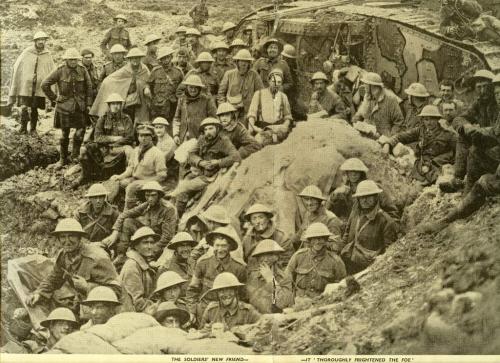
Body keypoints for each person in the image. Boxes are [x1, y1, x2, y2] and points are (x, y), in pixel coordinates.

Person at [25, 218, 120, 307]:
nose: (67, 241)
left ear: (80, 238)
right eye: (63, 237)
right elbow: (54, 278)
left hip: (106, 307)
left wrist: (87, 287)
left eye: (71, 236)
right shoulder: (63, 254)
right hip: (84, 302)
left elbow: (117, 290)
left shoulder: (97, 258)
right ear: (58, 239)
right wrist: (39, 293)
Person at [440, 70, 497, 193]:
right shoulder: (479, 103)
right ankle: (458, 179)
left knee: (474, 149)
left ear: (492, 87)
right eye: (479, 87)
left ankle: (469, 189)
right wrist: (466, 126)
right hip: (487, 140)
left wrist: (481, 131)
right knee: (462, 136)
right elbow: (458, 118)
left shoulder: (497, 102)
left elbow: (496, 130)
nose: (482, 91)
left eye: (485, 87)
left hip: (496, 146)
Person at [170, 118, 241, 216]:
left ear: (217, 128)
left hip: (212, 176)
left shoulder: (224, 140)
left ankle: (179, 216)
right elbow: (191, 154)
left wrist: (218, 162)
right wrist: (201, 162)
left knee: (184, 188)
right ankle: (177, 213)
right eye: (206, 129)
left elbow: (236, 156)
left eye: (211, 128)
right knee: (183, 183)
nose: (208, 132)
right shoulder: (202, 139)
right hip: (200, 172)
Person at [104, 181, 177, 266]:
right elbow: (125, 214)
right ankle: (121, 255)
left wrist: (151, 251)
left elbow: (167, 237)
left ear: (159, 195)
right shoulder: (147, 204)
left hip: (159, 243)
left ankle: (147, 257)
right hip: (148, 236)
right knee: (128, 221)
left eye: (153, 195)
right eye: (147, 195)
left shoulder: (168, 209)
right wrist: (115, 232)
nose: (150, 198)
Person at [41, 48, 93, 169]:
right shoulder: (60, 70)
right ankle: (62, 159)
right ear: (66, 60)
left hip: (80, 106)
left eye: (75, 59)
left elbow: (89, 88)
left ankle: (75, 156)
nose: (73, 62)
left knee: (80, 132)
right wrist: (55, 98)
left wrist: (88, 104)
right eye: (71, 60)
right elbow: (44, 84)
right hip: (64, 107)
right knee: (65, 134)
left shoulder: (83, 70)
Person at [382, 105, 457, 185]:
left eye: (432, 119)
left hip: (438, 166)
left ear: (437, 119)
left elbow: (456, 153)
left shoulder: (448, 135)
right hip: (420, 166)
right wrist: (388, 143)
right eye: (426, 119)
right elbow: (401, 136)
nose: (429, 122)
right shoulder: (421, 130)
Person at [186, 227, 247, 324]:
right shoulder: (203, 264)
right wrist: (192, 311)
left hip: (229, 315)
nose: (220, 249)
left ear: (230, 247)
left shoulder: (239, 268)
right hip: (205, 313)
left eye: (224, 246)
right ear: (212, 246)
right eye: (217, 245)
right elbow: (192, 290)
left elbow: (243, 296)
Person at [74, 93, 134, 187]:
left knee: (129, 150)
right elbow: (97, 137)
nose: (116, 106)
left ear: (121, 105)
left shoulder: (126, 119)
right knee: (83, 149)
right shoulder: (103, 119)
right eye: (113, 104)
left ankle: (127, 177)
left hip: (120, 147)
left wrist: (116, 143)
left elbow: (130, 137)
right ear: (109, 105)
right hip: (104, 148)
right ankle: (85, 175)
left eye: (118, 103)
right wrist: (113, 138)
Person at [340, 180, 398, 274]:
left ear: (376, 197)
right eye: (362, 197)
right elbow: (346, 234)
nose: (364, 200)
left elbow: (389, 251)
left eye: (368, 196)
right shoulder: (355, 214)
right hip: (349, 262)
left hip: (368, 269)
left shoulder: (385, 221)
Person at [109, 125, 167, 209]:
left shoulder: (157, 153)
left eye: (147, 135)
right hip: (135, 179)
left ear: (152, 137)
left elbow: (162, 176)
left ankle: (128, 212)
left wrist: (144, 182)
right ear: (138, 137)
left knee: (131, 188)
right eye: (141, 135)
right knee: (116, 182)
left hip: (150, 181)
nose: (143, 138)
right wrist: (119, 176)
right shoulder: (136, 151)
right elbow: (131, 168)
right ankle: (113, 207)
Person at [9, 31, 55, 135]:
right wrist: (25, 77)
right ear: (35, 41)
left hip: (38, 87)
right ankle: (23, 127)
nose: (41, 42)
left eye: (43, 40)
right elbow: (18, 66)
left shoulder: (47, 54)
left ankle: (33, 129)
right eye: (38, 40)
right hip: (26, 86)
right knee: (24, 107)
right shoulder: (27, 52)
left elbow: (52, 70)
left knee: (35, 108)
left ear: (45, 41)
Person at [285, 223, 347, 299]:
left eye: (321, 238)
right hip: (298, 300)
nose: (317, 242)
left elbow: (341, 286)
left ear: (326, 240)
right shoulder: (298, 256)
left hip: (322, 302)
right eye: (314, 239)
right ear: (309, 240)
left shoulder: (335, 261)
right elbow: (287, 278)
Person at [326, 158, 399, 220]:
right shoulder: (343, 192)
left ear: (361, 173)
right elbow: (327, 211)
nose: (353, 174)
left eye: (356, 171)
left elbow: (392, 212)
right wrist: (334, 195)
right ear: (347, 173)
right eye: (350, 171)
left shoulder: (374, 187)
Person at [218, 49, 264, 127]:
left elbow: (261, 93)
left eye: (246, 61)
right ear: (237, 62)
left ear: (249, 63)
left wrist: (256, 110)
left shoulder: (254, 75)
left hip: (248, 113)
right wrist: (224, 108)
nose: (243, 63)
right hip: (231, 112)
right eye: (241, 61)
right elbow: (221, 94)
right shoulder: (229, 74)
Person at [247, 68, 293, 145]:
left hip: (279, 129)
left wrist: (284, 127)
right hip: (263, 129)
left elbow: (288, 116)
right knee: (258, 144)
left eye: (279, 82)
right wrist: (254, 128)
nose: (276, 84)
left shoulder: (283, 96)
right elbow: (251, 115)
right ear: (269, 81)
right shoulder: (259, 94)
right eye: (273, 81)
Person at [246, 239, 293, 313]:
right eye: (261, 256)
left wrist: (271, 280)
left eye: (269, 255)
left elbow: (283, 303)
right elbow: (250, 301)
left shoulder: (284, 277)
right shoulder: (252, 276)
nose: (265, 259)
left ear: (276, 257)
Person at [291, 185, 343, 252]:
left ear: (319, 200)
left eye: (313, 199)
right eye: (306, 199)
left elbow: (336, 247)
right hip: (307, 256)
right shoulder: (307, 215)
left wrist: (312, 240)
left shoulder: (331, 219)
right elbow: (299, 234)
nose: (309, 203)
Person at [242, 203, 292, 271]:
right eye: (254, 218)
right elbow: (244, 262)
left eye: (261, 217)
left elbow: (287, 264)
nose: (258, 221)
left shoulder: (281, 237)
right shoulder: (247, 239)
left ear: (268, 219)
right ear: (251, 222)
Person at [119, 227, 159, 312]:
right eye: (145, 243)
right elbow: (137, 303)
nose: (149, 247)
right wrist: (158, 307)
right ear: (136, 246)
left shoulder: (143, 264)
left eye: (151, 243)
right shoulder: (132, 266)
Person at [352, 72, 404, 137]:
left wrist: (390, 138)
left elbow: (399, 122)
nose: (364, 86)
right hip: (367, 134)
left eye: (366, 84)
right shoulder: (368, 96)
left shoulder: (390, 99)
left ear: (372, 86)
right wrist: (353, 123)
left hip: (383, 137)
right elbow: (360, 113)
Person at [146, 47, 183, 131]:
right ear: (160, 60)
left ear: (171, 57)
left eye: (167, 57)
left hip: (172, 104)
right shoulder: (155, 71)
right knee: (157, 126)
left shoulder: (178, 72)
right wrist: (147, 89)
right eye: (163, 58)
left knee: (171, 127)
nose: (166, 60)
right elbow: (148, 84)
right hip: (158, 105)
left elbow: (183, 86)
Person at [172, 74, 217, 145]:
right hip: (184, 137)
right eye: (191, 87)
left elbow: (214, 120)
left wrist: (208, 134)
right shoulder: (182, 99)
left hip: (201, 138)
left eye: (196, 88)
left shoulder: (207, 100)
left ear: (199, 88)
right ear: (187, 87)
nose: (193, 90)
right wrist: (176, 135)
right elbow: (177, 118)